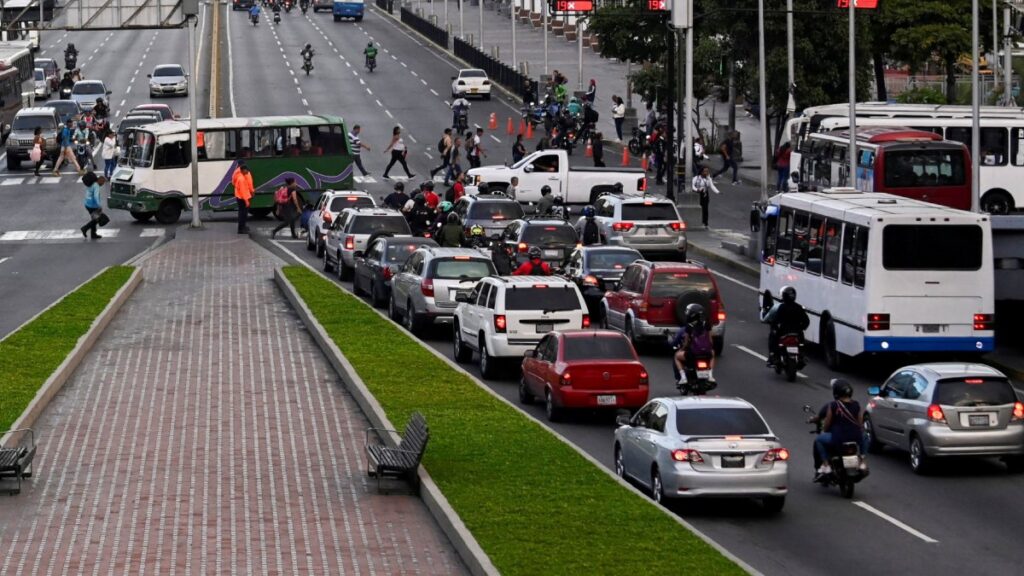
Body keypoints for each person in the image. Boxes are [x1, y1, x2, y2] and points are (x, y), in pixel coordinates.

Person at [810, 379, 868, 478]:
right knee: (865, 436)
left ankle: (826, 465)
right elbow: (860, 423)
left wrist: (824, 430)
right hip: (855, 437)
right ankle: (862, 461)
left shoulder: (833, 405)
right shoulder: (856, 405)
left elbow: (827, 424)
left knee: (819, 440)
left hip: (839, 438)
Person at [760, 285, 810, 367]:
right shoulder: (799, 307)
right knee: (801, 342)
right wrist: (801, 328)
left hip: (784, 332)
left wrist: (774, 325)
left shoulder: (781, 307)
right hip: (797, 332)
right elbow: (806, 321)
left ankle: (773, 356)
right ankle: (801, 356)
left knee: (773, 337)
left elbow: (776, 320)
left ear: (784, 296)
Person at [670, 303, 716, 386]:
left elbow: (686, 342)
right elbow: (710, 340)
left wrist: (682, 349)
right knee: (712, 354)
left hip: (693, 353)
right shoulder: (706, 324)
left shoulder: (689, 326)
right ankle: (710, 375)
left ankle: (683, 377)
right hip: (706, 353)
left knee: (676, 356)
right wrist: (708, 348)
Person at [79, 171, 105, 239]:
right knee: (96, 219)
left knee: (94, 219)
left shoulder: (90, 184)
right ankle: (85, 228)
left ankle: (93, 234)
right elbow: (96, 196)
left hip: (87, 204)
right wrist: (99, 205)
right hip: (93, 205)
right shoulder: (96, 185)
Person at [233, 163, 254, 234]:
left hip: (240, 197)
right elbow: (243, 191)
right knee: (243, 214)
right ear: (243, 170)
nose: (248, 172)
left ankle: (242, 227)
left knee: (242, 213)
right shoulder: (241, 179)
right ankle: (241, 229)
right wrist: (246, 201)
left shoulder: (241, 176)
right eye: (246, 170)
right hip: (242, 198)